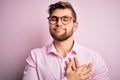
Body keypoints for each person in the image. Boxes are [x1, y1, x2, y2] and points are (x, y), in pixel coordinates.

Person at [23, 1, 110, 80]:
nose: (59, 23)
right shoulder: (35, 57)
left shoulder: (94, 59)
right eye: (54, 19)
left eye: (65, 19)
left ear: (75, 26)